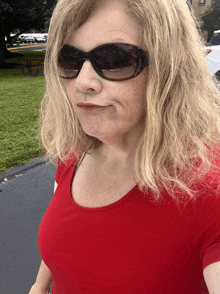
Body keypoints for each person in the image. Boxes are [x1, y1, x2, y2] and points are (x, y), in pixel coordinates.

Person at [29, 0, 220, 293]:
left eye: (114, 59)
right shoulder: (74, 155)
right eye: (69, 59)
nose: (83, 82)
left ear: (169, 68)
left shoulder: (208, 188)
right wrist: (39, 286)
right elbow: (63, 241)